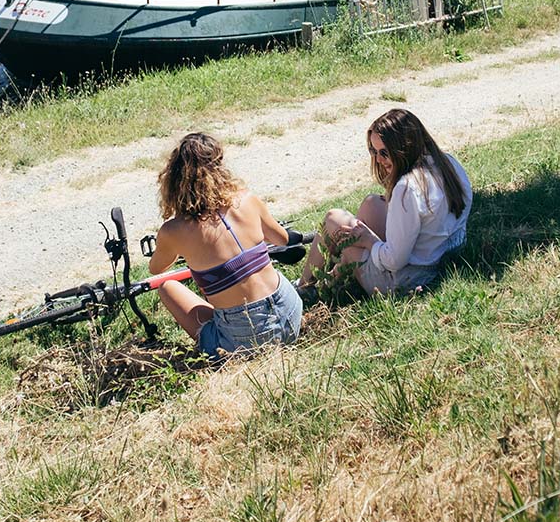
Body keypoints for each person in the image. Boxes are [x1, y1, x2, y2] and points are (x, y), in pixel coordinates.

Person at [149, 132, 302, 360]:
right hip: (290, 314)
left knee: (168, 288)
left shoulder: (174, 231)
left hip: (245, 341)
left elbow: (156, 269)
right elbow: (282, 239)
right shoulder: (247, 199)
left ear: (173, 179)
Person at [299, 109, 472, 296]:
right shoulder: (447, 163)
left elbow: (394, 261)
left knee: (334, 220)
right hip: (440, 254)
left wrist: (369, 240)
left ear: (404, 147)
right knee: (371, 204)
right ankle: (330, 272)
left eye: (384, 152)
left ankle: (305, 289)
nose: (379, 160)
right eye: (374, 151)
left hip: (406, 279)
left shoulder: (407, 188)